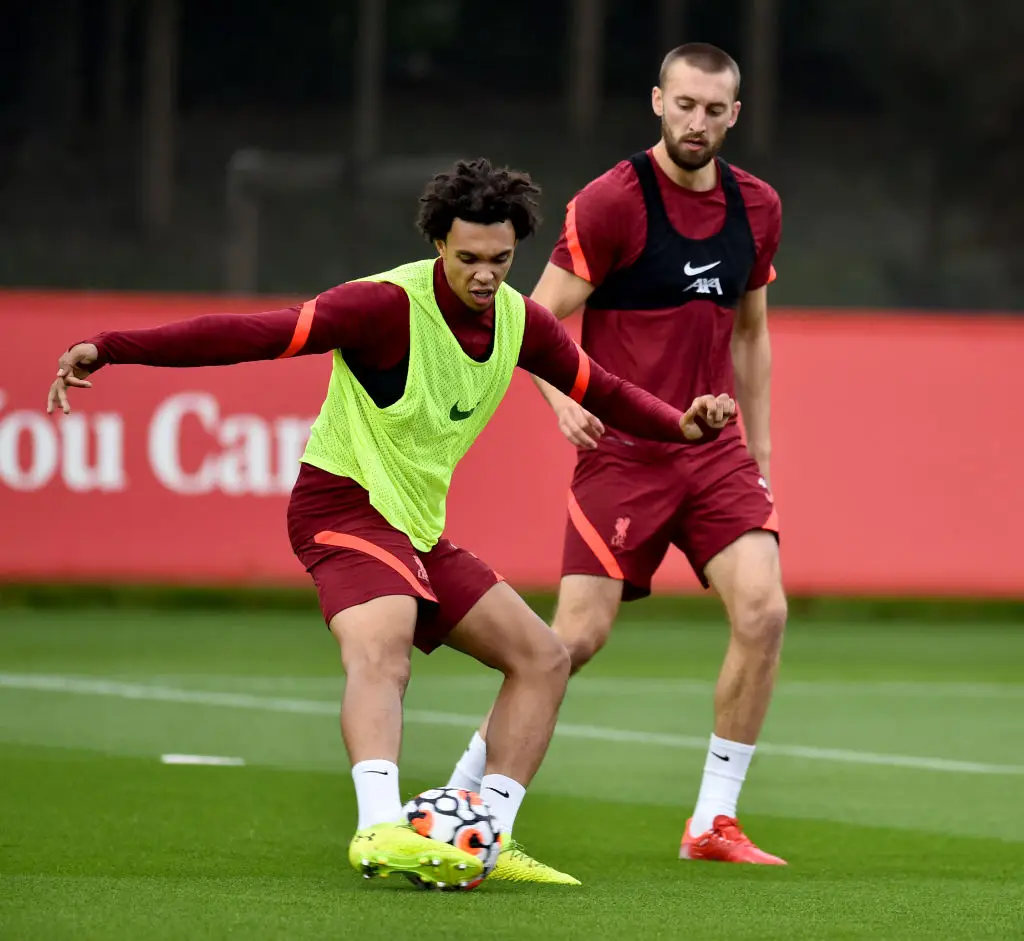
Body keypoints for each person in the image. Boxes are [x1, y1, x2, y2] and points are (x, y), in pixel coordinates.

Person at [47, 157, 736, 888]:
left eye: (500, 259)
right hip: (339, 507)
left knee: (543, 658)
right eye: (468, 257)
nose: (484, 273)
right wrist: (113, 346)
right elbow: (248, 333)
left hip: (415, 529)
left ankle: (484, 836)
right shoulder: (381, 305)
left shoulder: (521, 321)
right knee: (385, 643)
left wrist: (683, 426)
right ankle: (378, 825)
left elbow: (607, 390)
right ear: (439, 243)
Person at [446, 44, 788, 865]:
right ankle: (464, 788)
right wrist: (561, 396)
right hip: (626, 454)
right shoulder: (613, 201)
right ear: (657, 102)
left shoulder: (758, 206)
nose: (696, 121)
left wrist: (761, 451)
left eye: (713, 109)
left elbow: (752, 332)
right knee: (574, 640)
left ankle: (713, 820)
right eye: (684, 104)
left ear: (734, 116)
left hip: (715, 454)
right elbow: (535, 318)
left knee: (764, 611)